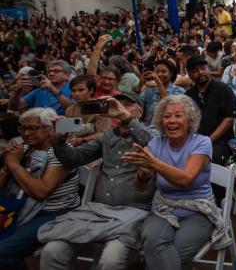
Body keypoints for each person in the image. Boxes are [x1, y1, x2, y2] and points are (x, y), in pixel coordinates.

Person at [39, 93, 156, 270]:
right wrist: (59, 143)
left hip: (135, 213)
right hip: (98, 211)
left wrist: (125, 116)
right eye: (117, 105)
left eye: (127, 105)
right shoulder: (106, 136)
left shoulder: (153, 133)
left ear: (140, 112)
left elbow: (156, 146)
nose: (119, 108)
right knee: (52, 250)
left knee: (111, 260)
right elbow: (74, 159)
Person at [124, 95, 224, 270]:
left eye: (178, 115)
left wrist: (153, 163)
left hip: (198, 211)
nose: (172, 121)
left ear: (190, 120)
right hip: (164, 209)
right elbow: (139, 187)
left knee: (163, 252)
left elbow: (185, 179)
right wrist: (144, 174)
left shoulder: (202, 142)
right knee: (153, 241)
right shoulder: (155, 143)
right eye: (167, 116)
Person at [0, 108, 80, 270]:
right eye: (22, 128)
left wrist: (14, 165)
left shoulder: (62, 152)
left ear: (50, 128)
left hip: (53, 212)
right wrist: (6, 169)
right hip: (18, 206)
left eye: (33, 128)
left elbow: (42, 192)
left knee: (3, 251)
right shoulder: (25, 149)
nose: (26, 133)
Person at [185, 55, 236, 165]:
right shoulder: (188, 96)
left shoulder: (223, 89)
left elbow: (229, 119)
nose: (200, 72)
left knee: (205, 160)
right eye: (195, 71)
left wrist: (208, 140)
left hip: (220, 141)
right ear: (189, 75)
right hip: (194, 140)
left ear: (209, 69)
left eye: (203, 68)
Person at [8, 60, 73, 115]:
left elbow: (73, 110)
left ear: (67, 75)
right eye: (49, 71)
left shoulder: (73, 90)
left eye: (56, 71)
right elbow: (14, 107)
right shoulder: (40, 91)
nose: (51, 74)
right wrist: (17, 91)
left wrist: (52, 89)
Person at [63, 74, 111, 146]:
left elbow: (104, 134)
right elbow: (68, 132)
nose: (76, 94)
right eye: (73, 91)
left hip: (96, 148)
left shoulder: (101, 108)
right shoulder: (69, 110)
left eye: (81, 90)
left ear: (91, 91)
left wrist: (82, 140)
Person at [139, 59, 185, 126]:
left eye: (163, 71)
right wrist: (141, 82)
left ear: (171, 74)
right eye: (157, 72)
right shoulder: (149, 91)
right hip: (147, 130)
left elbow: (168, 106)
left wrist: (158, 82)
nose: (159, 74)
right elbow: (137, 106)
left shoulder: (179, 91)